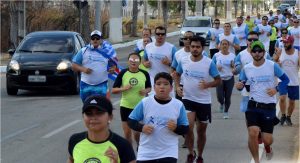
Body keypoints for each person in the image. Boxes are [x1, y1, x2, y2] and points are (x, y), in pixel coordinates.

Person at [235, 41, 289, 163]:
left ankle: (268, 146)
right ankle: (256, 160)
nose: (257, 53)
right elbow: (241, 83)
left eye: (260, 51)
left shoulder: (272, 65)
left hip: (269, 106)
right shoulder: (247, 68)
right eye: (254, 51)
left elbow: (286, 80)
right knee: (252, 133)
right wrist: (239, 85)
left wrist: (276, 89)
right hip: (253, 104)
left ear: (264, 53)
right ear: (251, 53)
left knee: (267, 139)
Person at [175, 36, 221, 163]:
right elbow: (177, 74)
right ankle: (191, 153)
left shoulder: (208, 62)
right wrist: (177, 86)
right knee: (188, 128)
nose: (194, 49)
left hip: (203, 101)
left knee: (201, 131)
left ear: (202, 48)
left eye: (197, 47)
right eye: (192, 47)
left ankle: (200, 155)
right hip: (187, 99)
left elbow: (218, 80)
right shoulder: (183, 60)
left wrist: (207, 85)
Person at [128, 72, 189, 163]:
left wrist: (176, 128)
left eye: (166, 84)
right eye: (158, 84)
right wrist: (142, 127)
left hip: (169, 152)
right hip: (146, 152)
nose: (162, 87)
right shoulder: (145, 102)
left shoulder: (178, 105)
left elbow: (185, 128)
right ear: (154, 87)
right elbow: (130, 120)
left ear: (171, 88)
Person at [67, 95, 136, 163]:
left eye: (99, 113)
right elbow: (71, 160)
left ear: (110, 117)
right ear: (83, 116)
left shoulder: (123, 145)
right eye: (89, 113)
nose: (93, 117)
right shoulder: (75, 140)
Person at [112, 52, 151, 146]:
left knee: (137, 133)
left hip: (139, 107)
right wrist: (123, 88)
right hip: (125, 106)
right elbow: (113, 90)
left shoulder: (144, 73)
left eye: (136, 60)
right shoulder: (123, 73)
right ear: (128, 62)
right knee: (127, 134)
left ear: (140, 62)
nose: (133, 62)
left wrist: (145, 91)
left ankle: (139, 147)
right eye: (131, 60)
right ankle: (129, 155)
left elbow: (149, 88)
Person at [72, 30, 117, 102]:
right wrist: (83, 69)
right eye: (93, 38)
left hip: (101, 85)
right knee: (87, 107)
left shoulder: (107, 52)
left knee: (100, 107)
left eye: (97, 38)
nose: (95, 40)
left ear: (101, 40)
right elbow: (74, 65)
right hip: (86, 85)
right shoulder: (83, 51)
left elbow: (113, 65)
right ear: (90, 40)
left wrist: (112, 69)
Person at [235, 31, 272, 113]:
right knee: (247, 111)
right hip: (247, 86)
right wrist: (235, 70)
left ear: (258, 40)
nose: (252, 41)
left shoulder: (265, 54)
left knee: (260, 110)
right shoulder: (241, 55)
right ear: (246, 41)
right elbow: (236, 68)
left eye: (255, 40)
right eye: (250, 39)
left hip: (262, 86)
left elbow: (272, 68)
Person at [273, 35, 299, 126]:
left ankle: (288, 117)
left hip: (294, 81)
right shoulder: (280, 51)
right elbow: (273, 62)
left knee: (292, 101)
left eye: (286, 42)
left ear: (291, 43)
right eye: (283, 42)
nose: (284, 44)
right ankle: (283, 115)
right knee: (282, 98)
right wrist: (277, 63)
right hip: (283, 80)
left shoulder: (297, 53)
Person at [143, 26, 177, 95]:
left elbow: (178, 65)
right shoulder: (148, 46)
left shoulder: (171, 48)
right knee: (153, 103)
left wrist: (169, 63)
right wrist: (145, 64)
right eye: (158, 34)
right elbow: (144, 60)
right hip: (152, 80)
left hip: (167, 80)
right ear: (154, 35)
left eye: (162, 34)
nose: (160, 36)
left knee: (168, 103)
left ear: (165, 35)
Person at [212, 39, 237, 119]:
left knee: (228, 96)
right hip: (219, 79)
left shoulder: (232, 56)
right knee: (220, 96)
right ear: (220, 45)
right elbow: (211, 66)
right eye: (223, 44)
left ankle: (226, 112)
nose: (224, 46)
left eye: (226, 44)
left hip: (229, 78)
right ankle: (221, 103)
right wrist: (216, 68)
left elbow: (236, 66)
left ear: (228, 46)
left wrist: (233, 67)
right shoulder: (216, 55)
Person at [171, 31, 194, 101]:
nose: (188, 40)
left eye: (190, 38)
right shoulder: (178, 54)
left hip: (195, 86)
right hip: (181, 85)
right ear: (183, 40)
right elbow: (173, 68)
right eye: (185, 38)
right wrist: (176, 85)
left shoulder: (201, 53)